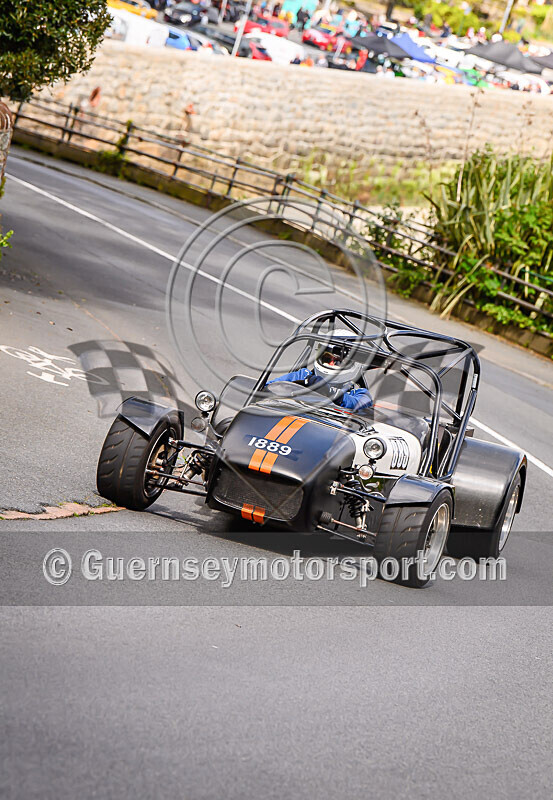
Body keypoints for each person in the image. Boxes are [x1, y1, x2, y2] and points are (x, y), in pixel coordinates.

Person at [267, 331, 373, 412]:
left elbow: (360, 405)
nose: (329, 364)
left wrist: (332, 393)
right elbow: (268, 388)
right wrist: (301, 384)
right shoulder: (302, 375)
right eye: (326, 359)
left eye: (337, 362)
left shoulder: (360, 394)